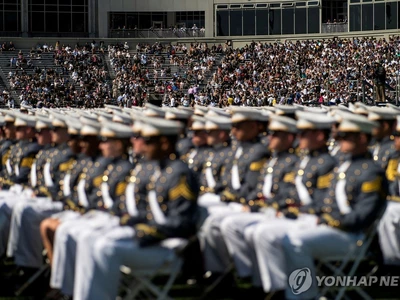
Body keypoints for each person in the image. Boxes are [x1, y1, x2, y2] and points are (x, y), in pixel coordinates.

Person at [72, 117, 199, 300]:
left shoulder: (180, 174)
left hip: (169, 246)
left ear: (164, 143)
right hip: (151, 239)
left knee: (104, 247)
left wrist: (142, 231)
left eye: (148, 141)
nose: (142, 146)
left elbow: (181, 223)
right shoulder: (160, 169)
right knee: (91, 241)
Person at [282, 113, 387, 299]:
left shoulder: (372, 172)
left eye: (344, 137)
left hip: (352, 236)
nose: (338, 141)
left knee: (296, 241)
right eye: (338, 136)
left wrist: (329, 220)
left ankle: (305, 295)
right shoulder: (344, 166)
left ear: (362, 138)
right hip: (332, 226)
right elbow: (326, 202)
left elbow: (362, 216)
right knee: (281, 232)